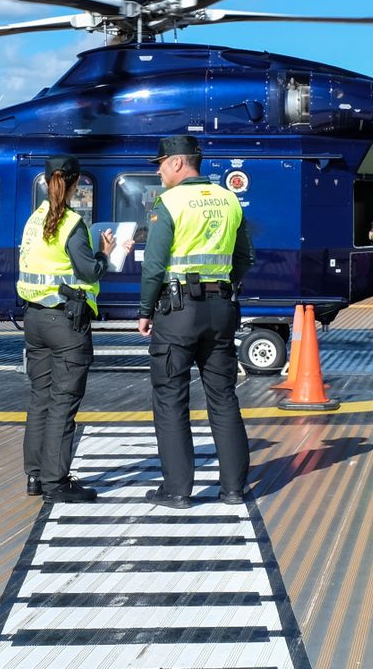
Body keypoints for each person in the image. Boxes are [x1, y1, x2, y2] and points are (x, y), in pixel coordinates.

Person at [137, 134, 254, 509]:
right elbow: (246, 256)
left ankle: (177, 490)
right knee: (223, 397)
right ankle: (234, 489)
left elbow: (154, 265)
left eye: (159, 164)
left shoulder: (168, 203)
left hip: (178, 312)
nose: (158, 172)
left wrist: (144, 310)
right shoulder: (229, 199)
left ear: (176, 163)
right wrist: (226, 285)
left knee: (171, 398)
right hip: (221, 309)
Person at [18, 154, 117, 504]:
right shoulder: (73, 223)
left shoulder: (34, 219)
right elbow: (89, 272)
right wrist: (105, 252)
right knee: (63, 402)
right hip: (65, 323)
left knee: (40, 398)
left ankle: (35, 475)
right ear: (76, 184)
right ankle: (57, 481)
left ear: (47, 182)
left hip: (34, 320)